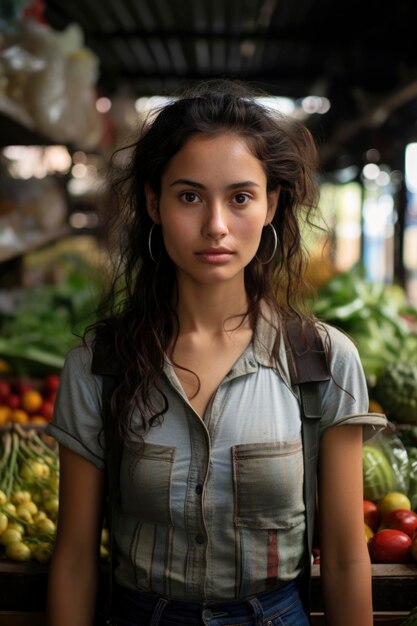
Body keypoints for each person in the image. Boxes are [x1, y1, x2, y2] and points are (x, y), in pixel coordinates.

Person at [46, 79, 386, 626]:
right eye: (189, 196)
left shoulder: (322, 360)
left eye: (240, 197)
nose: (216, 226)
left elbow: (347, 559)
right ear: (153, 203)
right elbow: (75, 563)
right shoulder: (98, 365)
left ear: (272, 204)